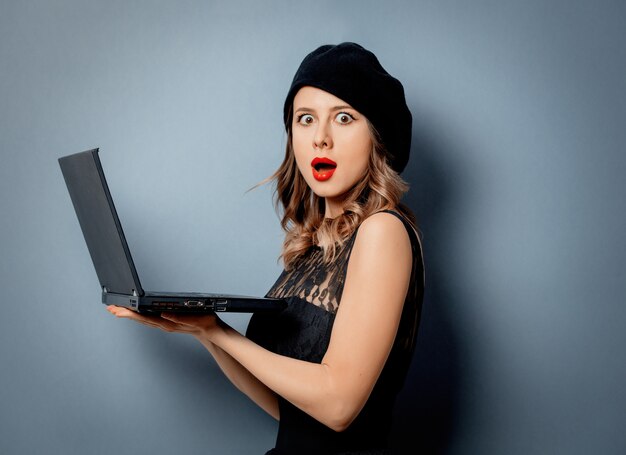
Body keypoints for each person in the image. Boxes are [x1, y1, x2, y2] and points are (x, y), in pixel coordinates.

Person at [107, 42, 425, 455]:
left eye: (344, 118)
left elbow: (339, 406)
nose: (321, 139)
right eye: (305, 119)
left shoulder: (384, 231)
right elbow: (286, 408)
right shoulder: (314, 245)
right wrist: (207, 333)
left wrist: (223, 332)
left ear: (377, 137)